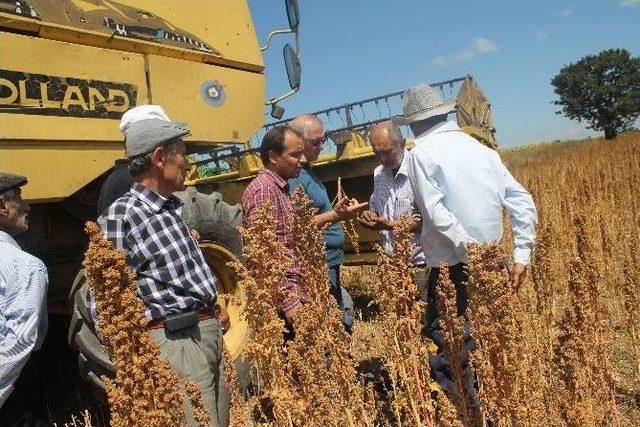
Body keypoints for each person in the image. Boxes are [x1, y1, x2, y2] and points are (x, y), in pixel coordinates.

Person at [87, 107, 230, 426]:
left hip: (207, 334)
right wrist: (136, 358)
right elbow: (103, 303)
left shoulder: (170, 209)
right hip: (174, 344)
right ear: (160, 156)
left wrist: (212, 307)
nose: (188, 162)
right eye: (183, 153)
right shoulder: (120, 216)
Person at [395, 82, 537, 324]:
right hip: (494, 263)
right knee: (494, 338)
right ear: (443, 113)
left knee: (454, 345)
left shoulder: (420, 154)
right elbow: (522, 201)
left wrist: (474, 257)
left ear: (415, 123)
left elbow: (436, 215)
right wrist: (521, 256)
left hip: (454, 271)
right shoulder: (483, 150)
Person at [288, 115, 366, 331]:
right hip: (317, 265)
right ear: (297, 141)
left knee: (339, 317)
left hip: (328, 261)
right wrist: (336, 216)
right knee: (331, 326)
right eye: (316, 142)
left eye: (325, 140)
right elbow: (294, 227)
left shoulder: (308, 172)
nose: (322, 146)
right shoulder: (295, 178)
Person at [357, 121, 428, 303]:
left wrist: (389, 225)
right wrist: (369, 215)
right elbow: (376, 207)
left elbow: (427, 220)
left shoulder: (418, 170)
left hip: (419, 265)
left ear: (403, 144)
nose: (382, 159)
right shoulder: (379, 174)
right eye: (376, 153)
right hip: (391, 264)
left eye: (387, 152)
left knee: (423, 321)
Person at [0, 173, 49, 426]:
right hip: (12, 392)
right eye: (19, 199)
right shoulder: (25, 266)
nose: (28, 207)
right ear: (2, 206)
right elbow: (20, 342)